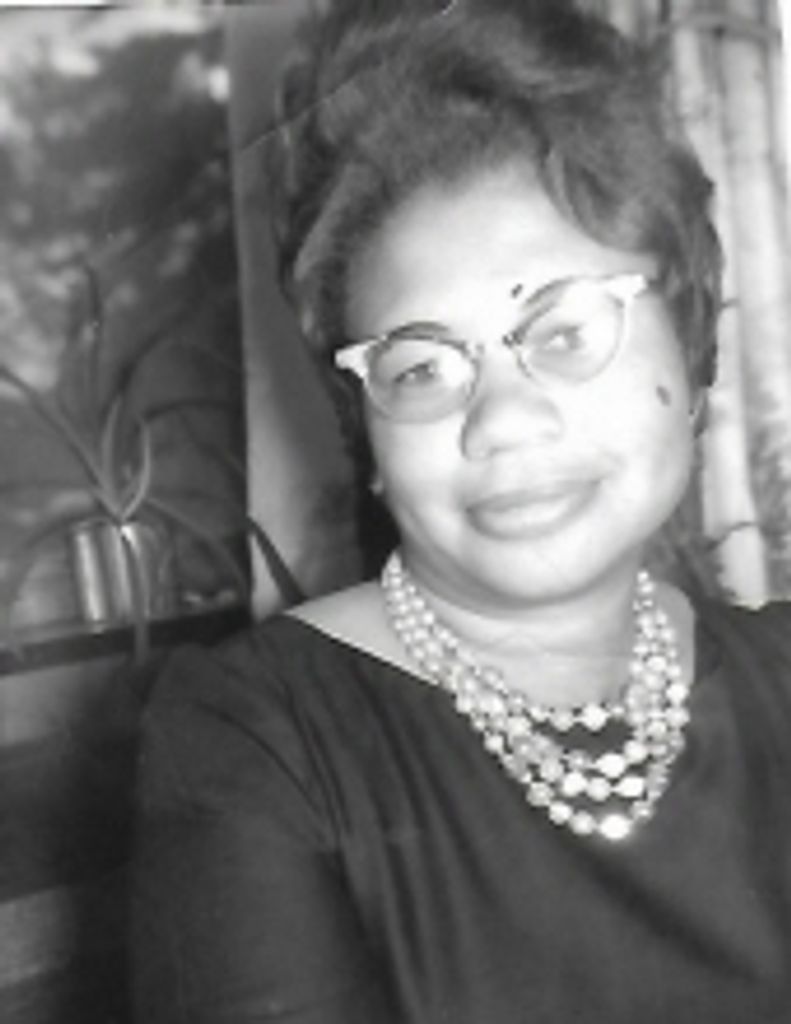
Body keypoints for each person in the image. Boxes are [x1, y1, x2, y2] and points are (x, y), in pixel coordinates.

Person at [131, 1, 791, 1021]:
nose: (501, 420)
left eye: (564, 330)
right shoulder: (254, 739)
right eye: (421, 367)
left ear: (691, 346)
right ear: (368, 434)